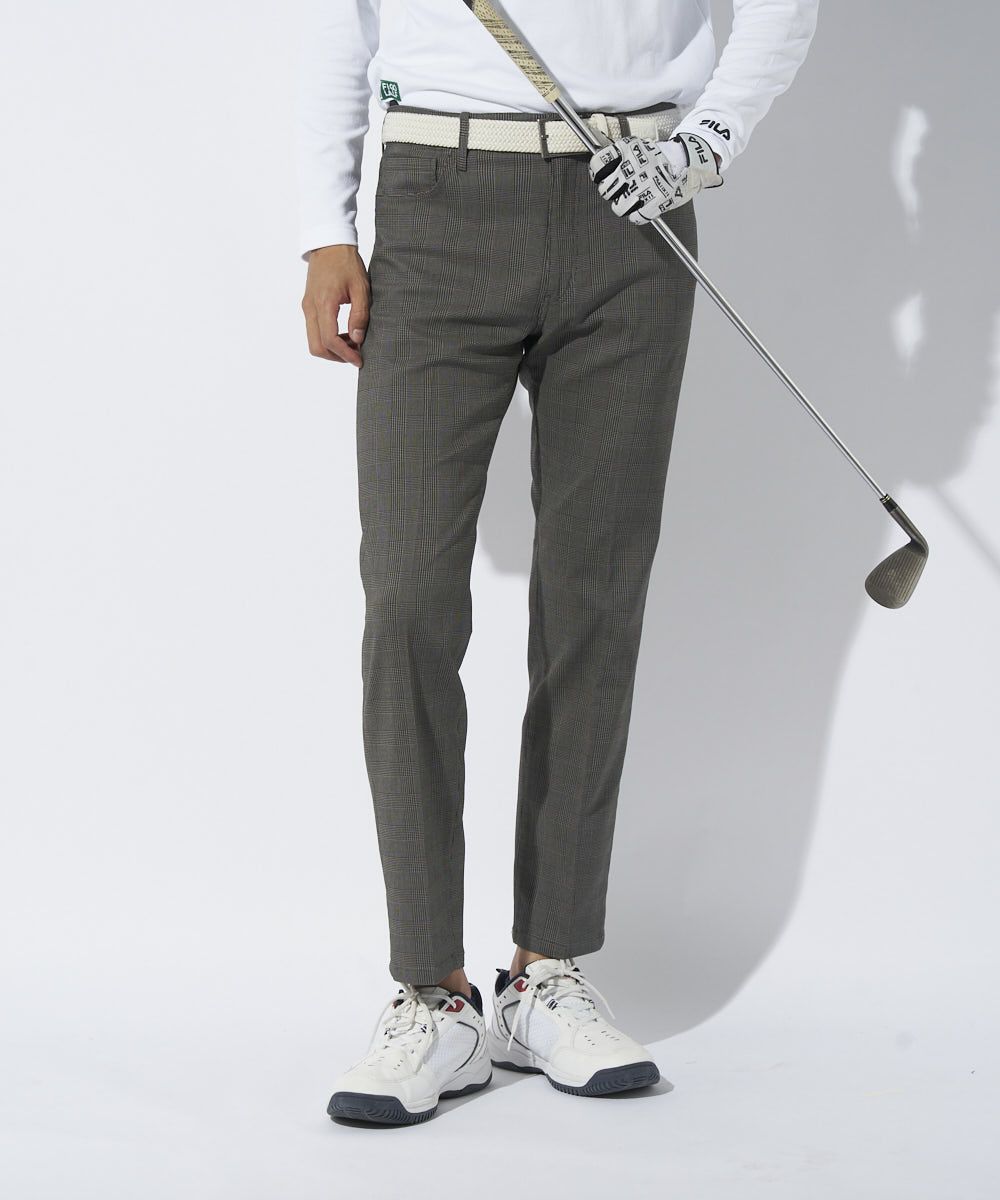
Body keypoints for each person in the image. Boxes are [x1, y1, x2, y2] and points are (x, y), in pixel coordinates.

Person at [297, 0, 819, 1125]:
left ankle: (547, 974)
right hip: (436, 197)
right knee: (407, 601)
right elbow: (338, 20)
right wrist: (320, 224)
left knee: (595, 597)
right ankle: (432, 993)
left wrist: (705, 143)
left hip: (632, 203)